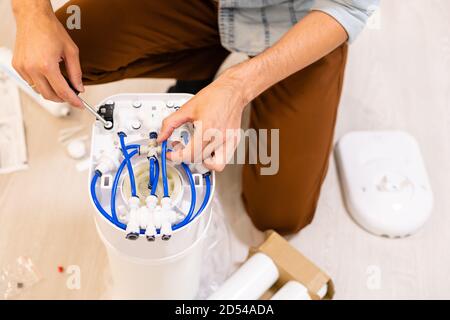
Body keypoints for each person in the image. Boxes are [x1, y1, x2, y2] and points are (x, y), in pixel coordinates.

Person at [11, 0, 378, 234]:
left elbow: (350, 6)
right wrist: (30, 14)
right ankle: (201, 67)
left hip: (297, 17)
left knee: (280, 215)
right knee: (60, 58)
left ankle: (227, 72)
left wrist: (239, 87)